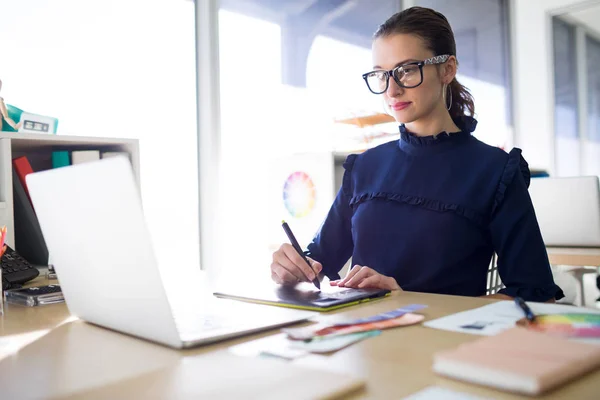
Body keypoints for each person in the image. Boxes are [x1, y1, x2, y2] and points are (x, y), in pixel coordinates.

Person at [270, 7, 563, 302]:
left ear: (447, 69)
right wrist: (293, 268)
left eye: (407, 70)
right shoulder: (365, 167)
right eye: (381, 75)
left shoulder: (495, 171)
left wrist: (409, 301)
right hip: (360, 341)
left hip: (442, 343)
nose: (392, 90)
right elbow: (318, 264)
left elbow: (535, 293)